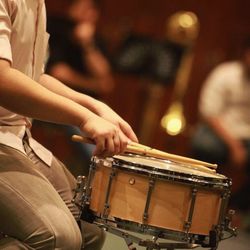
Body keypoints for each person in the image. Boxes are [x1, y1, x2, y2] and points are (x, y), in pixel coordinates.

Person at [0, 1, 138, 249]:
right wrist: (84, 118)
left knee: (91, 229)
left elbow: (33, 76)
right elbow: (2, 80)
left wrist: (96, 108)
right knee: (58, 238)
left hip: (18, 135)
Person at [191, 38, 250, 211]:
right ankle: (199, 199)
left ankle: (234, 208)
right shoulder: (225, 74)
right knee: (204, 146)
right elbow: (209, 114)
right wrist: (235, 146)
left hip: (246, 136)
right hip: (219, 133)